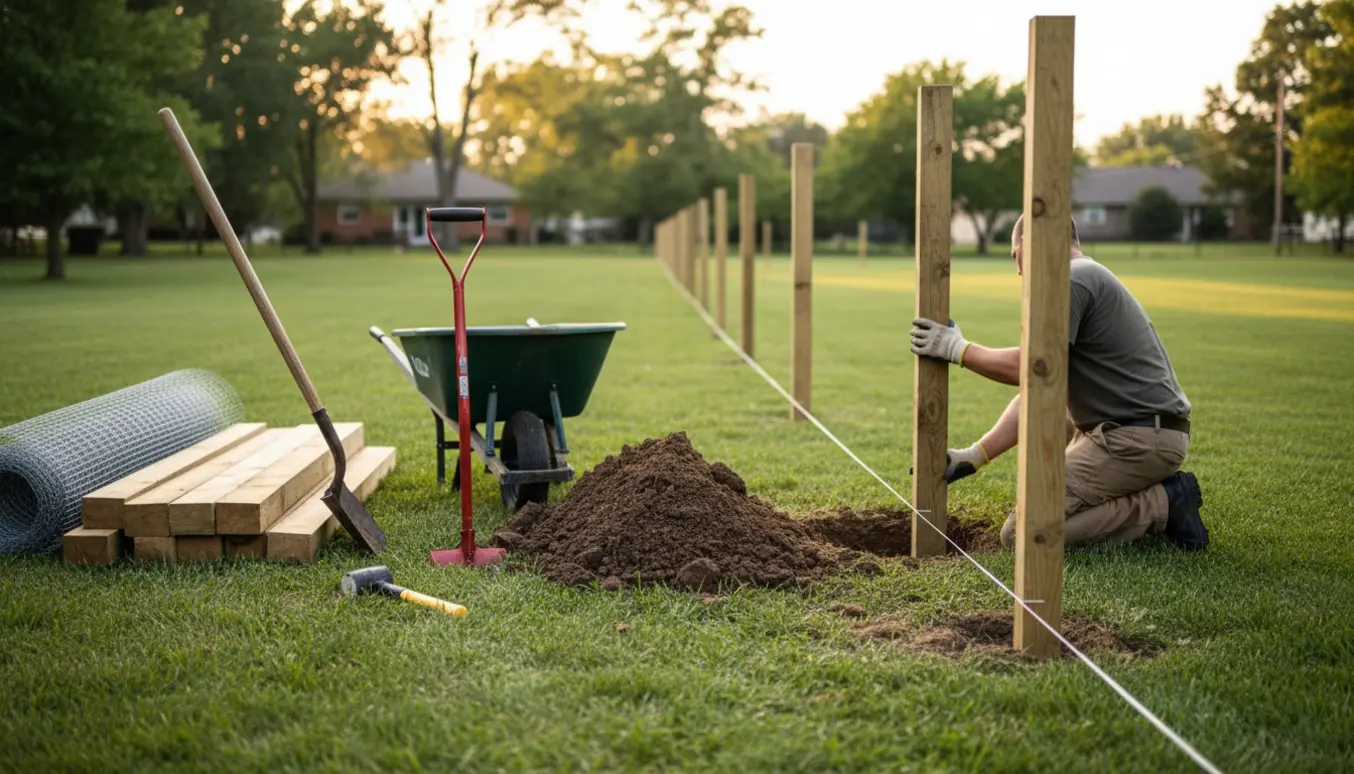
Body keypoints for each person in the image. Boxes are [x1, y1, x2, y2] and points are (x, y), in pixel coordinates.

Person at [908, 215, 1209, 551]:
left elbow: (1033, 368)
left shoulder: (1071, 279)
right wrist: (975, 456)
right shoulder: (1082, 275)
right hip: (1134, 430)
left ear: (1030, 242)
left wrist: (956, 349)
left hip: (1136, 440)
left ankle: (1163, 504)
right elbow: (1040, 395)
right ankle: (1146, 491)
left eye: (1013, 255)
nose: (1018, 270)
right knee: (1053, 431)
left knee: (1022, 535)